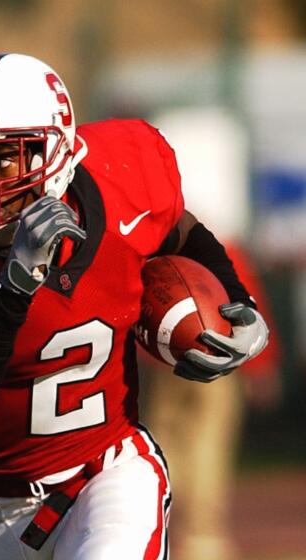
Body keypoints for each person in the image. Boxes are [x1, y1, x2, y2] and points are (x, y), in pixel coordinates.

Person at [0, 53, 270, 559]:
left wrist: (238, 299)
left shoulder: (120, 178)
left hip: (107, 474)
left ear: (56, 150)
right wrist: (14, 284)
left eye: (3, 158)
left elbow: (179, 230)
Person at [138, 107, 282, 560]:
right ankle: (200, 539)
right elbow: (246, 306)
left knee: (162, 442)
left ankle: (156, 528)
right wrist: (261, 365)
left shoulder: (156, 248)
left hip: (164, 360)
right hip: (216, 364)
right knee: (206, 445)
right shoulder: (223, 246)